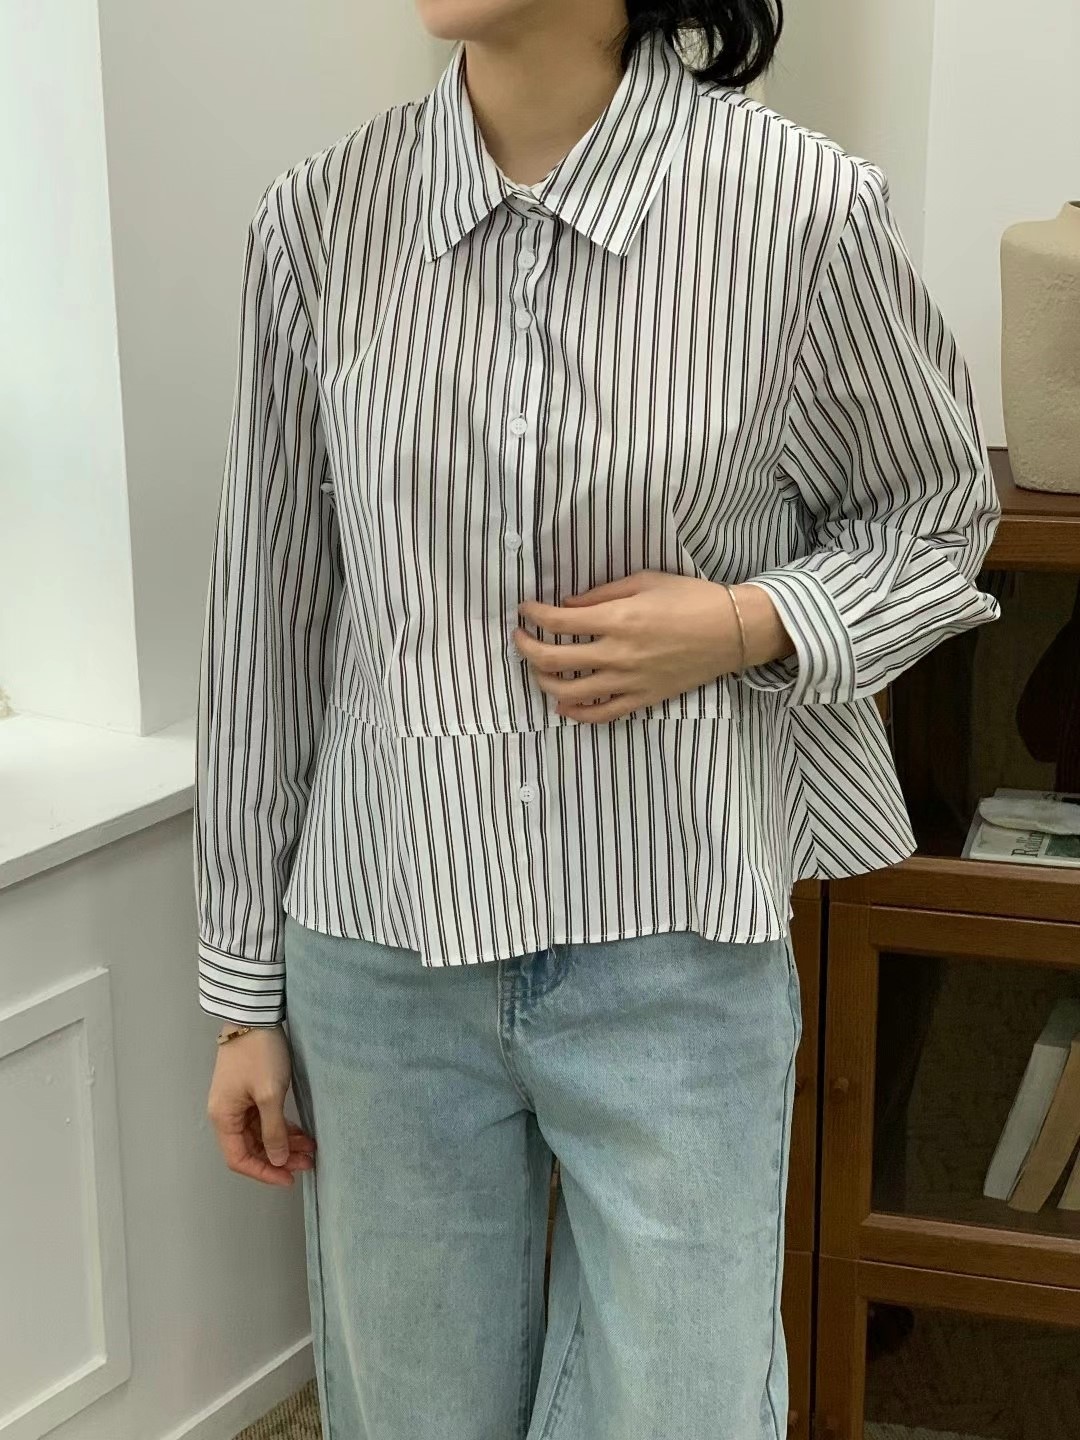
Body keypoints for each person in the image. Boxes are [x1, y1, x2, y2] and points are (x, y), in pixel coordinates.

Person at [193, 2, 1002, 1436]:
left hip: (674, 936)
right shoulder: (318, 222)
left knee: (688, 1407)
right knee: (411, 1414)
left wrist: (745, 621)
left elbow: (937, 516)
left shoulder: (800, 208)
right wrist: (242, 997)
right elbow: (269, 614)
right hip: (383, 945)